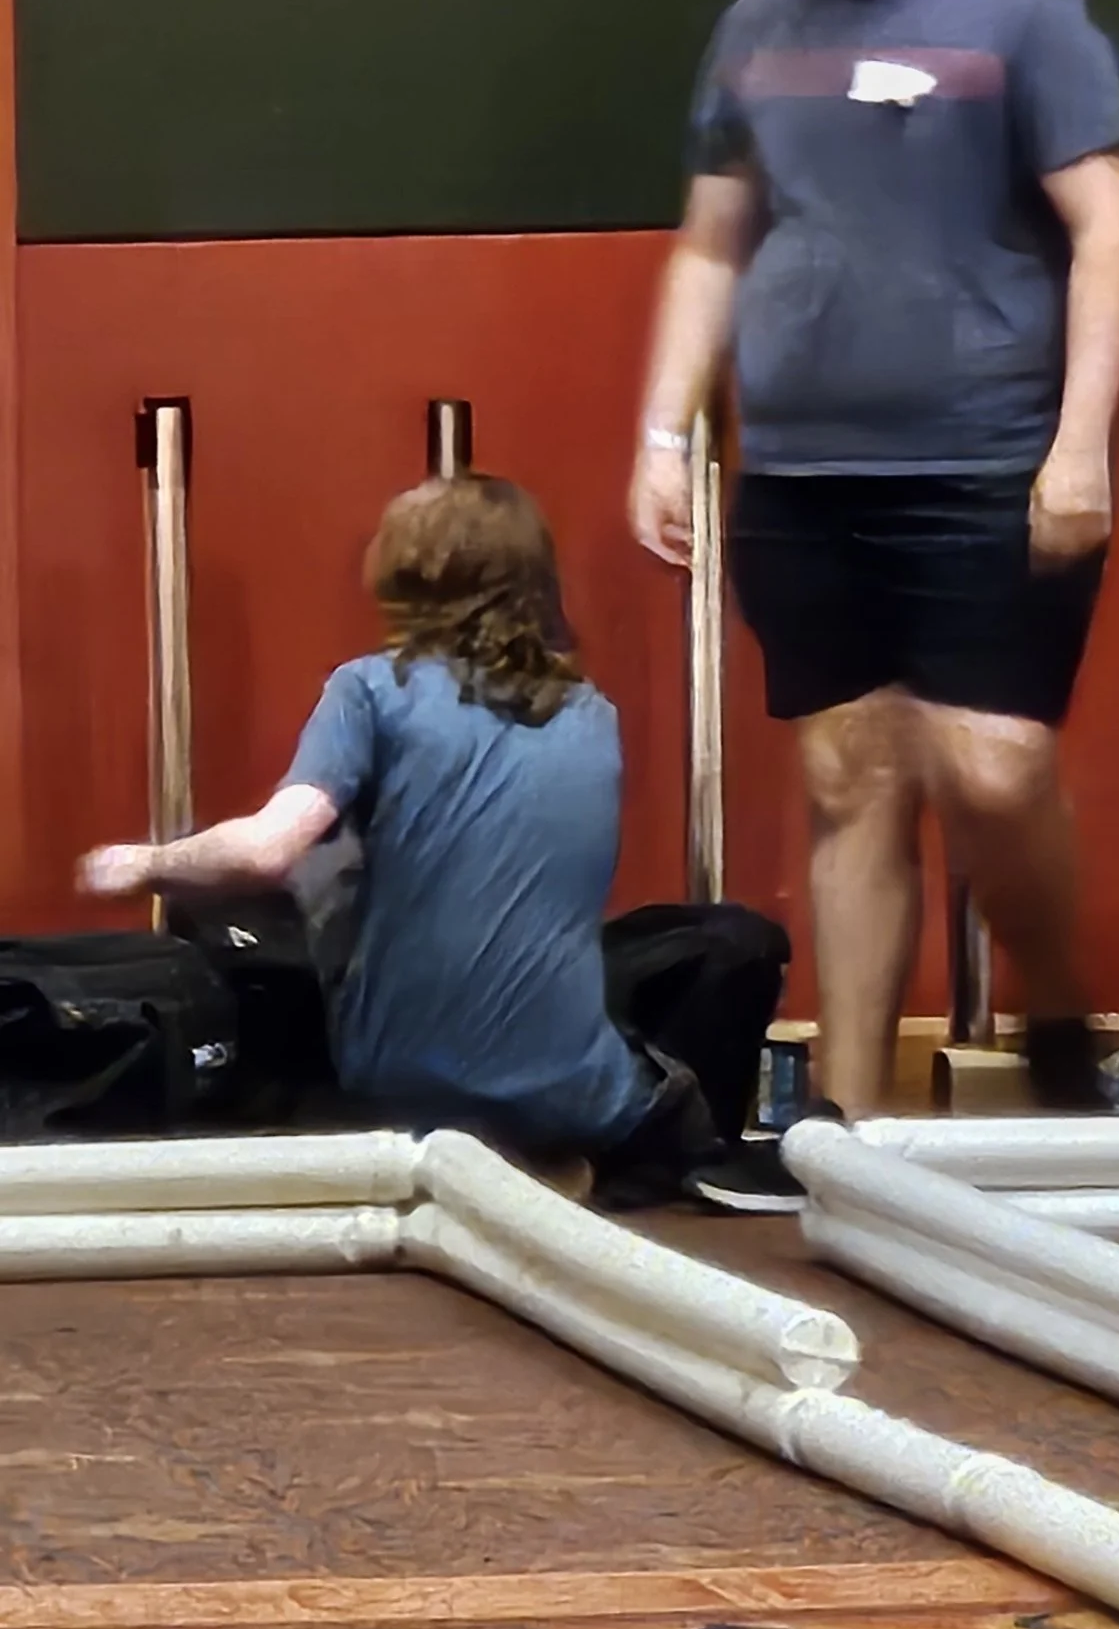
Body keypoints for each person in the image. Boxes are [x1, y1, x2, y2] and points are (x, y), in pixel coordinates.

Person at [631, 0, 1119, 1147]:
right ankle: (846, 1133)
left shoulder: (1017, 10)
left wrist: (1080, 444)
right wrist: (664, 434)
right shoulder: (758, 25)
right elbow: (711, 244)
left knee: (994, 768)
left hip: (987, 455)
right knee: (851, 778)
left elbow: (1112, 225)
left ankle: (1054, 1009)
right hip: (801, 470)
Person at [77, 474, 726, 1191]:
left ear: (411, 568)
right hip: (577, 1095)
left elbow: (268, 849)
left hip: (398, 1081)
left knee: (273, 877)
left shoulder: (370, 689)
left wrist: (143, 863)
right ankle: (580, 1158)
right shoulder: (592, 712)